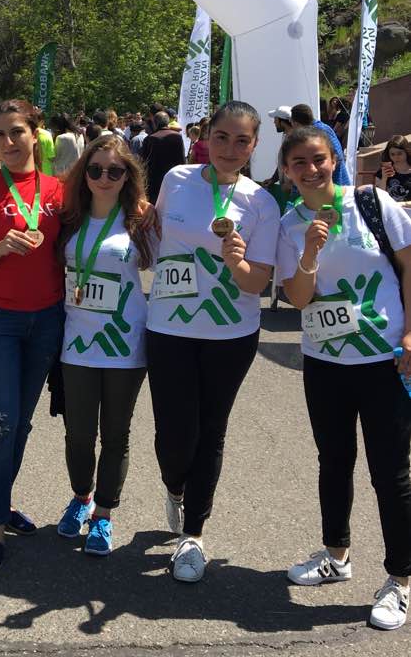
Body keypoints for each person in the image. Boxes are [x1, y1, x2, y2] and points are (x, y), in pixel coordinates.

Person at [277, 126, 411, 631]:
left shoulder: (370, 202)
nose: (311, 170)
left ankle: (400, 580)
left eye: (319, 159)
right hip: (325, 361)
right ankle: (337, 553)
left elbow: (409, 263)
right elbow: (299, 297)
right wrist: (310, 252)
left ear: (334, 159)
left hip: (384, 359)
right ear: (287, 172)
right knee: (333, 461)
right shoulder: (291, 223)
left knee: (390, 471)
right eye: (299, 163)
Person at [146, 100, 280, 583]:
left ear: (255, 146)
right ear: (207, 136)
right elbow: (156, 242)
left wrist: (237, 261)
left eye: (242, 140)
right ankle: (174, 485)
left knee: (211, 428)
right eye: (222, 137)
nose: (230, 148)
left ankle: (194, 535)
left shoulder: (261, 203)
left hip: (230, 333)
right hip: (169, 324)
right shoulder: (177, 180)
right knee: (174, 434)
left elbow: (256, 283)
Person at [0, 98, 65, 573]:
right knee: (1, 420)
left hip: (47, 318)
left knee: (22, 421)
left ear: (35, 134)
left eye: (16, 132)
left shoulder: (61, 191)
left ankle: (1, 500)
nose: (6, 142)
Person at [56, 136, 152, 556]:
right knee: (78, 435)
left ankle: (104, 515)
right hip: (76, 343)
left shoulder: (141, 220)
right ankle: (81, 498)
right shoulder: (69, 219)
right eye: (95, 170)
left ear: (127, 175)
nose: (104, 178)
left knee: (116, 435)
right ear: (84, 173)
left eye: (115, 171)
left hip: (124, 343)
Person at [290, 104, 350, 185]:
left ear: (296, 123)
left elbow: (337, 157)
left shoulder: (316, 133)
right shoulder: (322, 127)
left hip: (334, 185)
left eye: (292, 122)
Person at [140, 111, 186, 204]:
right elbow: (182, 160)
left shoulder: (150, 139)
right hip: (174, 178)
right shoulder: (177, 137)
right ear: (168, 122)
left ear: (155, 123)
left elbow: (143, 162)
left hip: (154, 181)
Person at [375, 135, 411, 204]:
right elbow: (379, 198)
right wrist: (384, 179)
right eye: (392, 154)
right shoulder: (383, 172)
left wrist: (402, 204)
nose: (396, 157)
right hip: (390, 212)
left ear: (406, 152)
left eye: (399, 153)